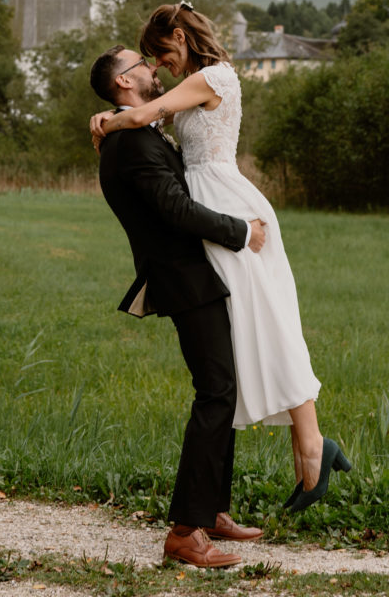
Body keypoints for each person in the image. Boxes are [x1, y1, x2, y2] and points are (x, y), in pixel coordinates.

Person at [90, 2, 350, 516]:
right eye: (144, 62)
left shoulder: (213, 76)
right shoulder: (183, 89)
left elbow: (143, 115)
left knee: (270, 323)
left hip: (228, 207)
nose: (156, 66)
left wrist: (108, 120)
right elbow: (151, 127)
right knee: (254, 333)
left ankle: (312, 447)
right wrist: (119, 117)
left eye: (158, 55)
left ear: (181, 40)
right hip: (211, 212)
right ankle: (301, 454)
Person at [89, 43, 268, 568]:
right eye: (141, 64)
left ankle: (211, 510)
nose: (152, 68)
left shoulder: (130, 132)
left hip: (195, 273)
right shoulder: (129, 144)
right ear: (124, 82)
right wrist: (240, 231)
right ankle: (185, 532)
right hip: (184, 278)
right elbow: (174, 208)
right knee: (215, 392)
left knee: (222, 389)